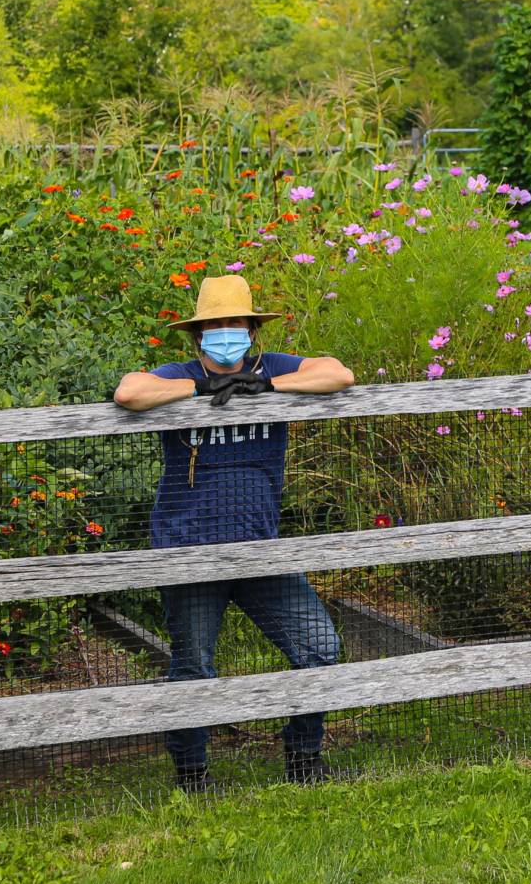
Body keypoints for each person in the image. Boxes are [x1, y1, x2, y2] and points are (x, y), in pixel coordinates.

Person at [111, 274, 356, 791]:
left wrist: (266, 386)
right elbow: (129, 392)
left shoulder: (273, 368)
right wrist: (200, 389)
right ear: (198, 334)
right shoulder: (177, 373)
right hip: (189, 550)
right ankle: (192, 774)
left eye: (235, 323)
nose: (227, 332)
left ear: (251, 328)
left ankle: (304, 756)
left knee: (319, 647)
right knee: (194, 666)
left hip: (259, 548)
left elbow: (339, 374)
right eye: (215, 325)